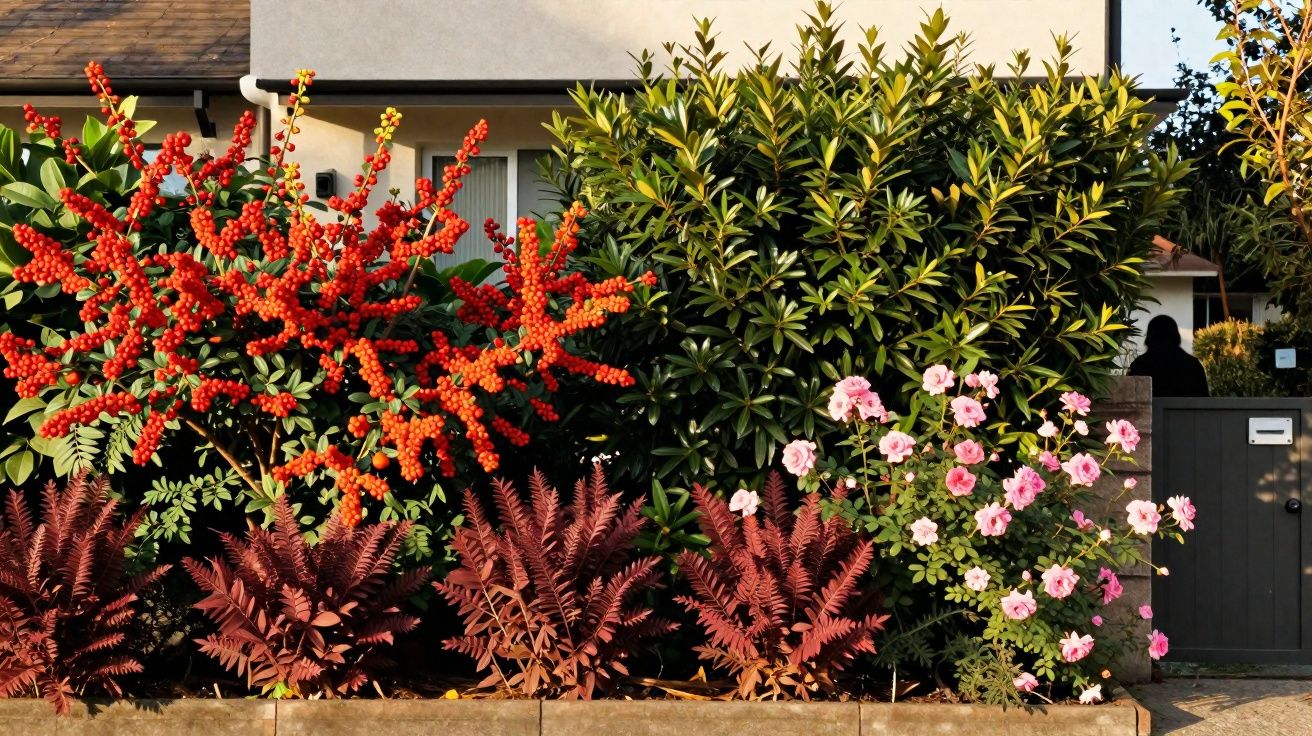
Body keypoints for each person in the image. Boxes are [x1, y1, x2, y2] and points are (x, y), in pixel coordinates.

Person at [1128, 315, 1210, 398]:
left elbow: (1128, 399)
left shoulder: (1140, 364)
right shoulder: (1192, 365)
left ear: (1150, 337)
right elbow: (1204, 402)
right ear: (1176, 336)